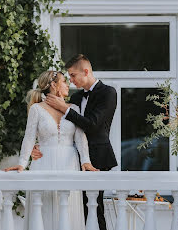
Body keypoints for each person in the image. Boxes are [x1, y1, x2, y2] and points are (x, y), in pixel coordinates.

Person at [4, 70, 97, 230]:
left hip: (69, 164)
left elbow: (81, 138)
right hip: (43, 163)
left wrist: (86, 161)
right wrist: (22, 163)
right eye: (64, 82)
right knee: (44, 208)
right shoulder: (37, 109)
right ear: (54, 85)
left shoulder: (73, 108)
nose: (68, 85)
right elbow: (29, 137)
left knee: (67, 210)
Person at [44, 54, 118, 230]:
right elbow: (61, 124)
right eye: (68, 77)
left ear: (86, 71)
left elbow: (92, 125)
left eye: (73, 75)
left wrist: (64, 108)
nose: (70, 80)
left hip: (98, 157)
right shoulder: (76, 98)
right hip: (72, 159)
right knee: (74, 209)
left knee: (94, 207)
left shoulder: (108, 93)